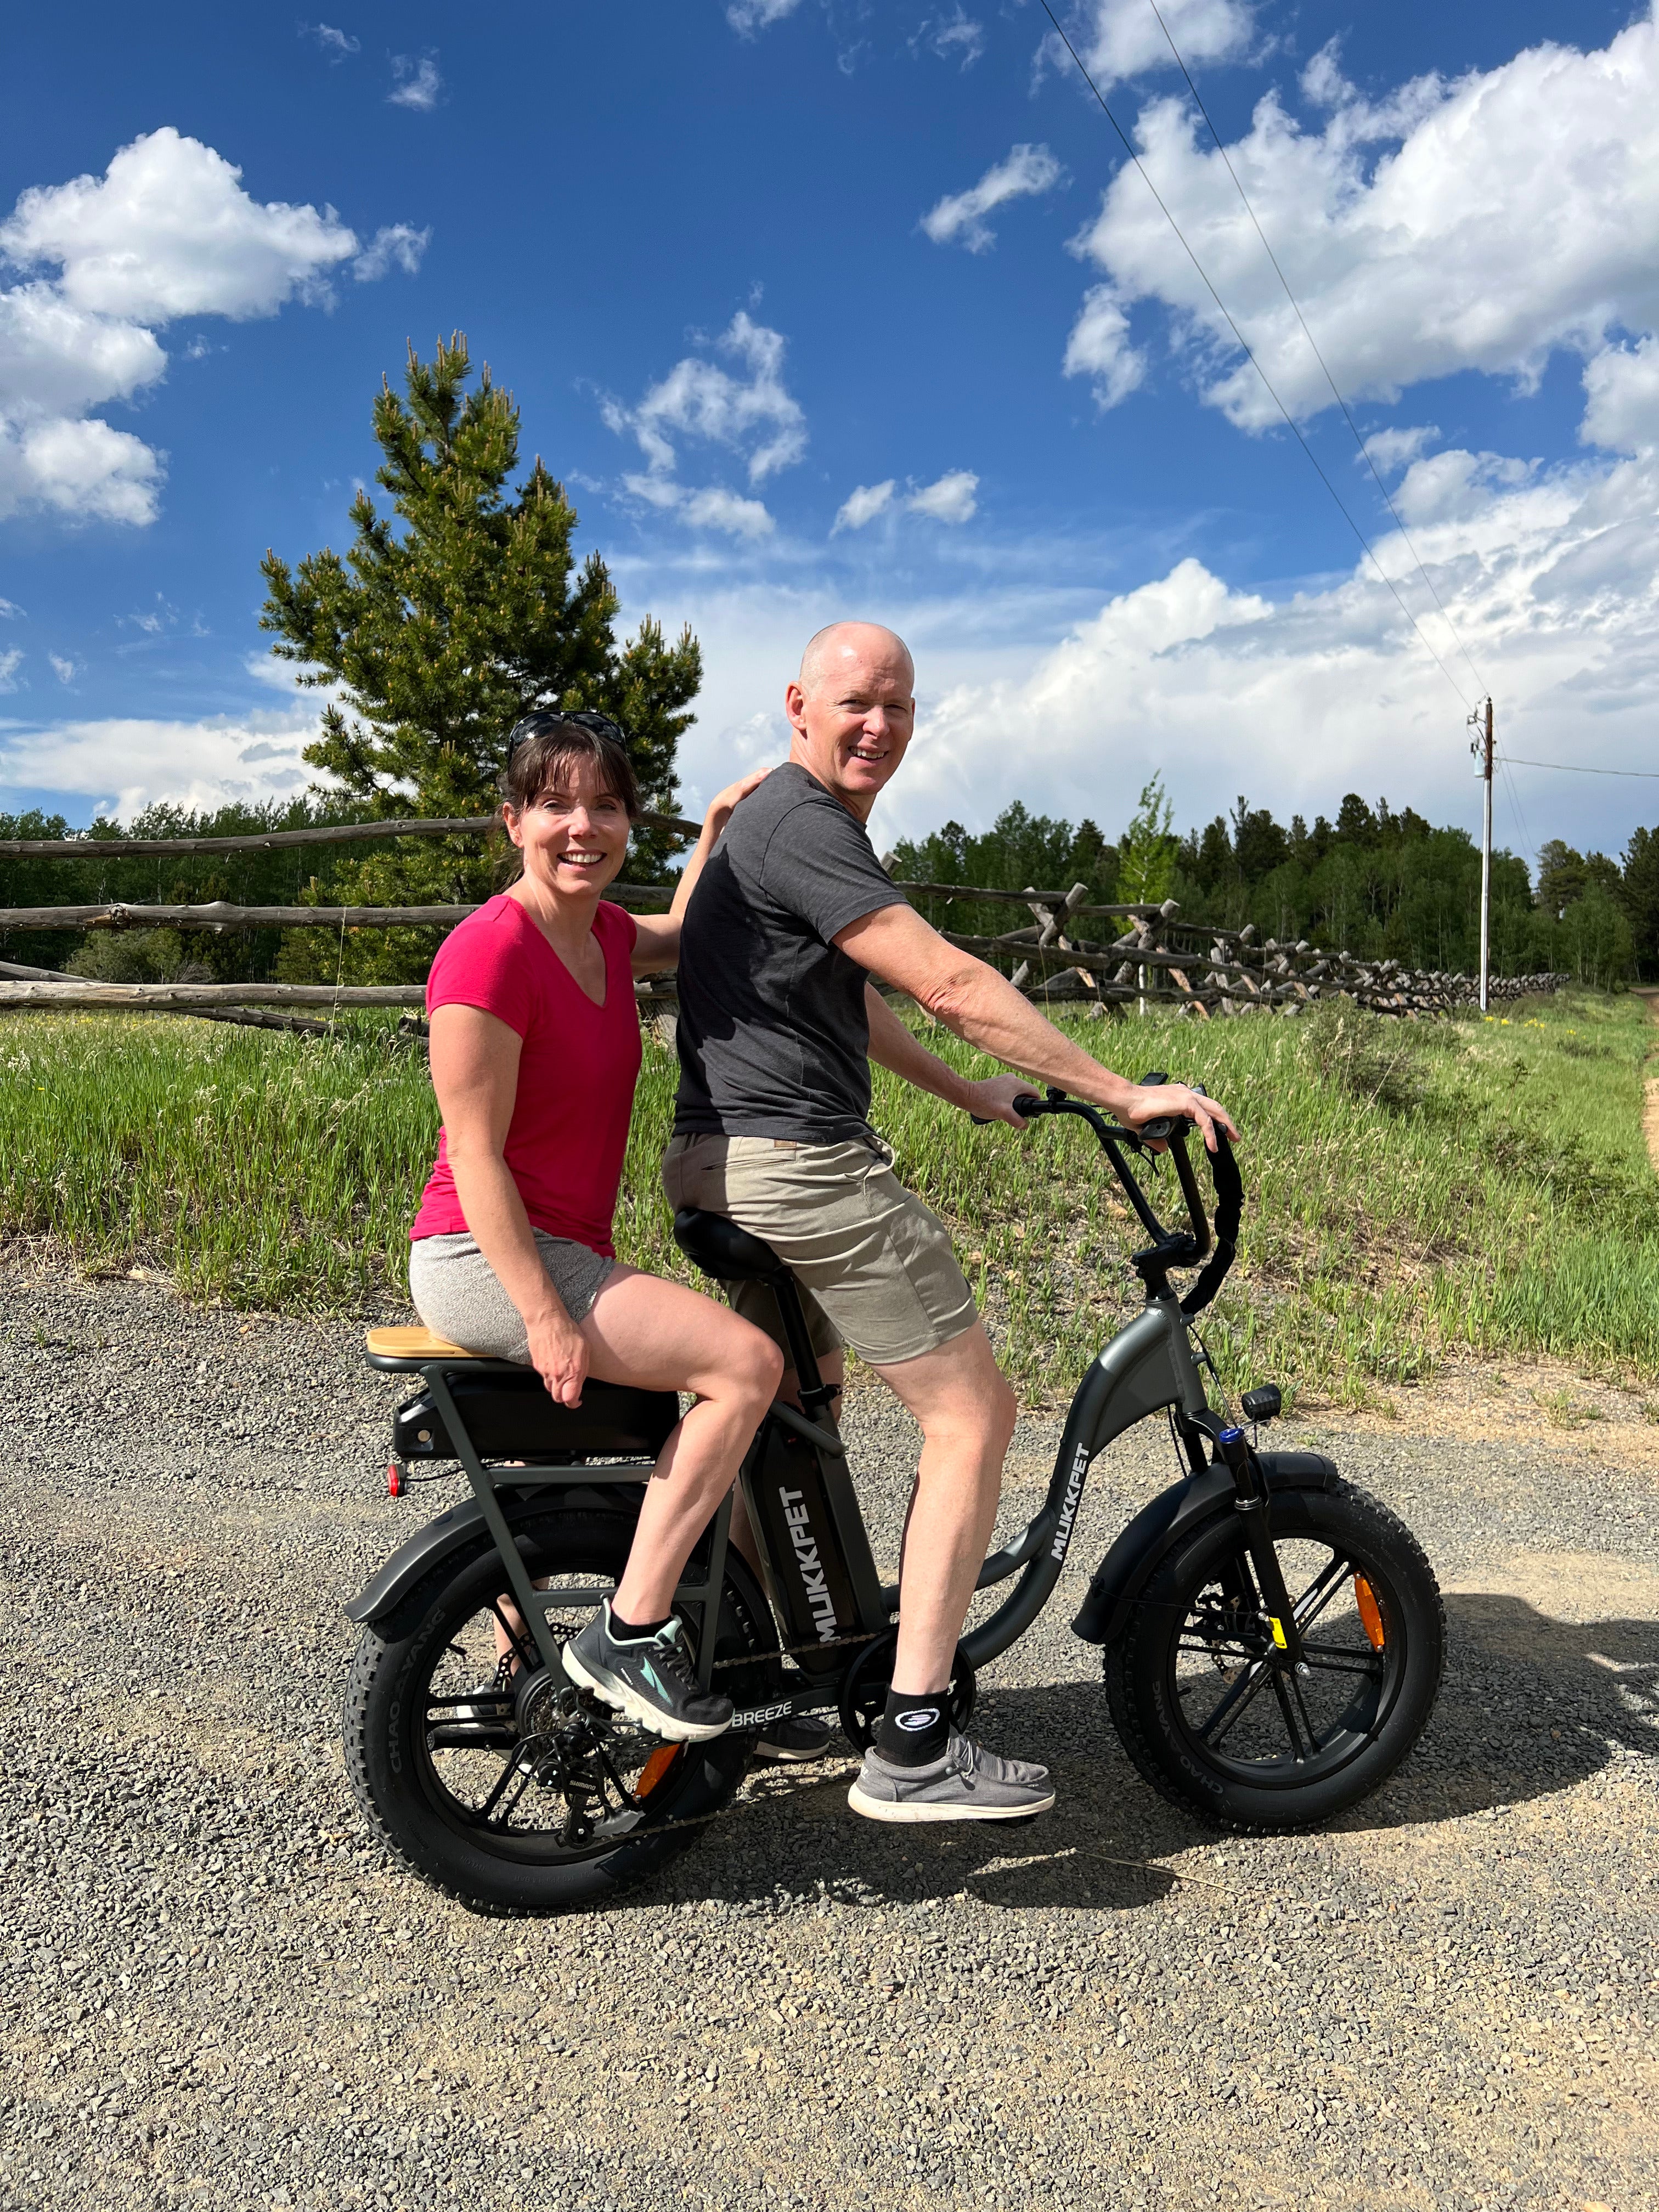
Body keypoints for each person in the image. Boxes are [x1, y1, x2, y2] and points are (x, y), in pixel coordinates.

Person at [664, 623, 1240, 1823]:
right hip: (798, 1168)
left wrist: (968, 1092)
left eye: (900, 704)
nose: (879, 724)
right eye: (856, 702)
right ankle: (918, 1736)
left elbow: (845, 996)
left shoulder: (783, 823)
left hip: (721, 1164)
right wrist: (1118, 1091)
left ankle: (760, 1660)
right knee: (973, 1410)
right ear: (798, 706)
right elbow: (948, 981)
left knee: (794, 1416)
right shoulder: (803, 822)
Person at [406, 708, 799, 1751]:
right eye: (555, 805)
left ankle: (526, 1670)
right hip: (485, 1256)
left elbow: (684, 930)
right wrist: (544, 1313)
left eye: (607, 806)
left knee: (582, 1463)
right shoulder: (490, 952)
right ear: (512, 822)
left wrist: (713, 831)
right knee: (747, 1368)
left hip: (560, 1252)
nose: (583, 827)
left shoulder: (605, 937)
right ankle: (631, 1632)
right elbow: (474, 1155)